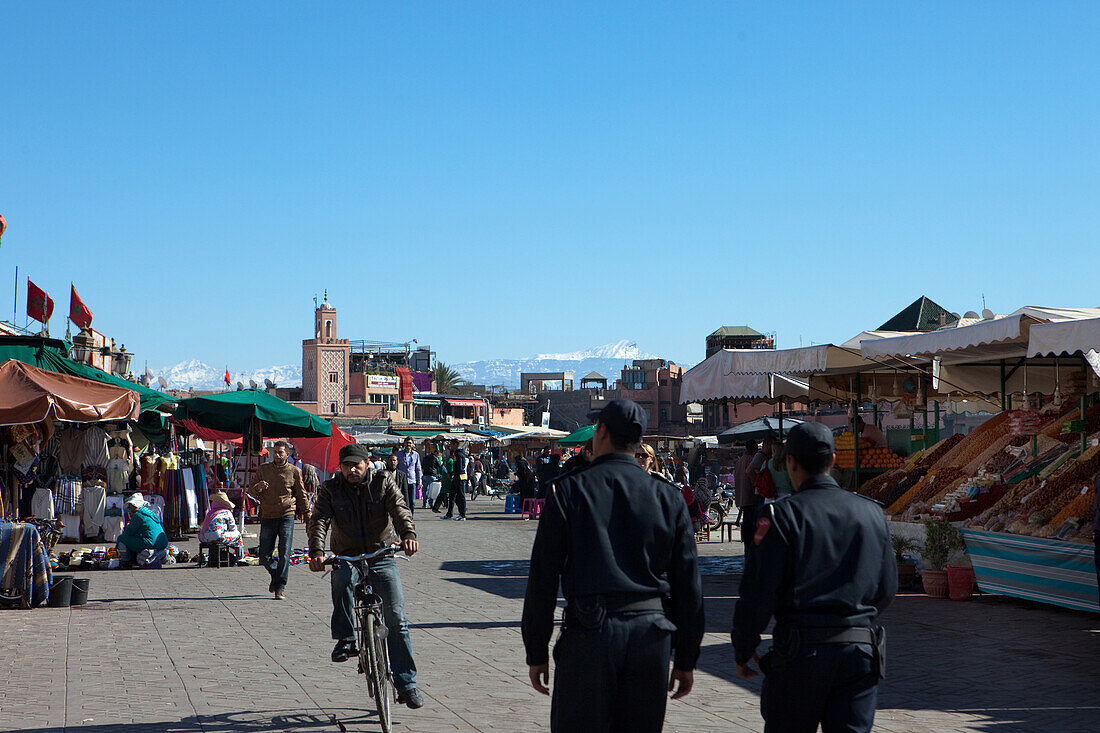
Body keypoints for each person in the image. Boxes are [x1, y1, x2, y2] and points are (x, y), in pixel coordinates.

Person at [522, 399, 704, 732]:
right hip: (651, 635)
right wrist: (687, 656)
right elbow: (688, 585)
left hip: (590, 633)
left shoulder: (568, 491)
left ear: (601, 432)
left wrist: (536, 649)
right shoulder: (668, 498)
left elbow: (543, 579)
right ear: (639, 440)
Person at [731, 422, 896, 733]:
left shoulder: (780, 517)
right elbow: (887, 588)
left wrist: (744, 645)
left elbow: (758, 590)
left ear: (790, 462)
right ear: (833, 461)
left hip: (800, 655)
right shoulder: (871, 513)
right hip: (858, 653)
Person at [308, 443, 424, 710]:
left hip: (381, 553)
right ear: (340, 467)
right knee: (340, 579)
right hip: (347, 554)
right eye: (346, 466)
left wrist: (408, 535)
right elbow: (320, 521)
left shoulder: (383, 482)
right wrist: (316, 551)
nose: (351, 470)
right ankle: (346, 639)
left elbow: (400, 509)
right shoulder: (330, 489)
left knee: (397, 618)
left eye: (356, 465)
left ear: (367, 463)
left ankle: (407, 684)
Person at [248, 440, 309, 600]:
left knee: (285, 552)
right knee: (264, 556)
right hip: (268, 514)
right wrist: (258, 487)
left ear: (287, 454)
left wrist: (309, 516)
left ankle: (280, 586)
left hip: (286, 514)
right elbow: (251, 492)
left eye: (280, 452)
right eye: (275, 451)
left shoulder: (294, 471)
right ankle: (275, 576)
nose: (277, 455)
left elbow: (301, 495)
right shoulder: (263, 470)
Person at [116, 493, 169, 568]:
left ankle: (126, 561)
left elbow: (129, 533)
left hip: (152, 543)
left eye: (130, 508)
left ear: (134, 506)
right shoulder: (149, 512)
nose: (129, 510)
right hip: (163, 542)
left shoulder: (138, 515)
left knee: (122, 539)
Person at [199, 490, 246, 558]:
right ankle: (240, 557)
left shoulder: (210, 513)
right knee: (238, 535)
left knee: (220, 534)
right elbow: (233, 528)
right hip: (218, 536)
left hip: (203, 537)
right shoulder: (226, 512)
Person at [733, 440, 757, 528]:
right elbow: (751, 475)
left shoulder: (740, 460)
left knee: (747, 519)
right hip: (750, 494)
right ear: (754, 448)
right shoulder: (751, 459)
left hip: (742, 494)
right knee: (750, 520)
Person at [443, 439, 467, 520]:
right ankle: (449, 514)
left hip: (459, 477)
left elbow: (460, 467)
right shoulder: (456, 453)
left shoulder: (459, 454)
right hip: (457, 476)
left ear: (456, 445)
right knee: (452, 495)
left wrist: (453, 474)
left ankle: (462, 514)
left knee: (461, 496)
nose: (450, 446)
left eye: (451, 444)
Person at [396, 437, 423, 507]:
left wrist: (419, 481)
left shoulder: (416, 455)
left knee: (412, 502)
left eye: (410, 443)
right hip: (402, 480)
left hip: (412, 480)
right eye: (407, 443)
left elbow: (418, 468)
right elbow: (396, 467)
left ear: (412, 445)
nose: (408, 444)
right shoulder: (399, 454)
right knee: (403, 500)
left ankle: (411, 516)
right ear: (404, 444)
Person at [386, 452, 415, 517]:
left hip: (398, 502)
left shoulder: (402, 475)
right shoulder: (383, 474)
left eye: (394, 460)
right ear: (387, 462)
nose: (392, 462)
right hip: (387, 503)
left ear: (397, 462)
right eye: (390, 460)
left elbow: (405, 491)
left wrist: (406, 507)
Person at [424, 443, 444, 509]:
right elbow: (439, 466)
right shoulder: (435, 458)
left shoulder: (426, 457)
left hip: (425, 475)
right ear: (436, 453)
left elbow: (422, 464)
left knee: (425, 490)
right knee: (431, 490)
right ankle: (430, 503)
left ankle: (425, 504)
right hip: (432, 475)